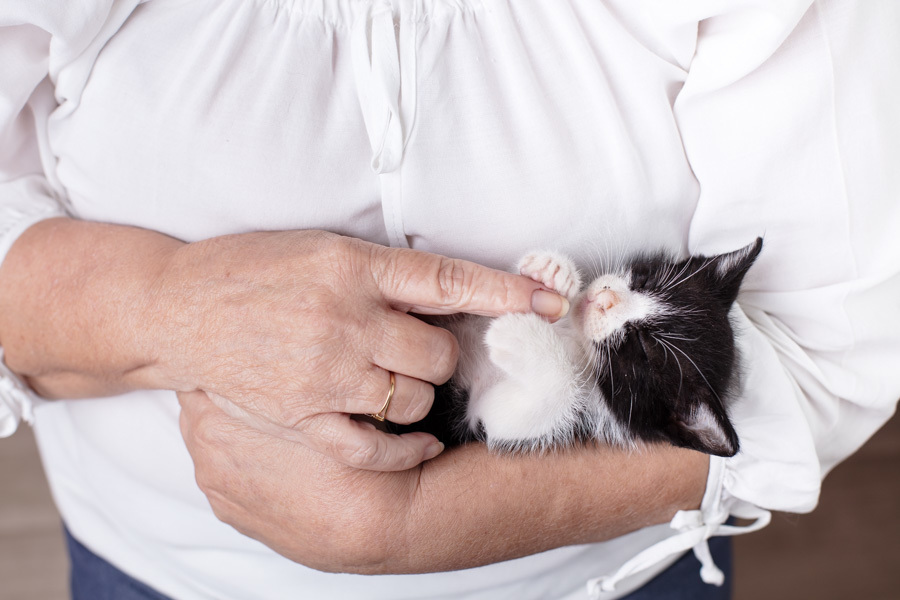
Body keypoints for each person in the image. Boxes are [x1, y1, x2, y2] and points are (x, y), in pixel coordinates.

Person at [1, 1, 898, 599]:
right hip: (160, 572)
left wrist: (411, 528)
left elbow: (836, 341)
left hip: (609, 578)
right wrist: (167, 308)